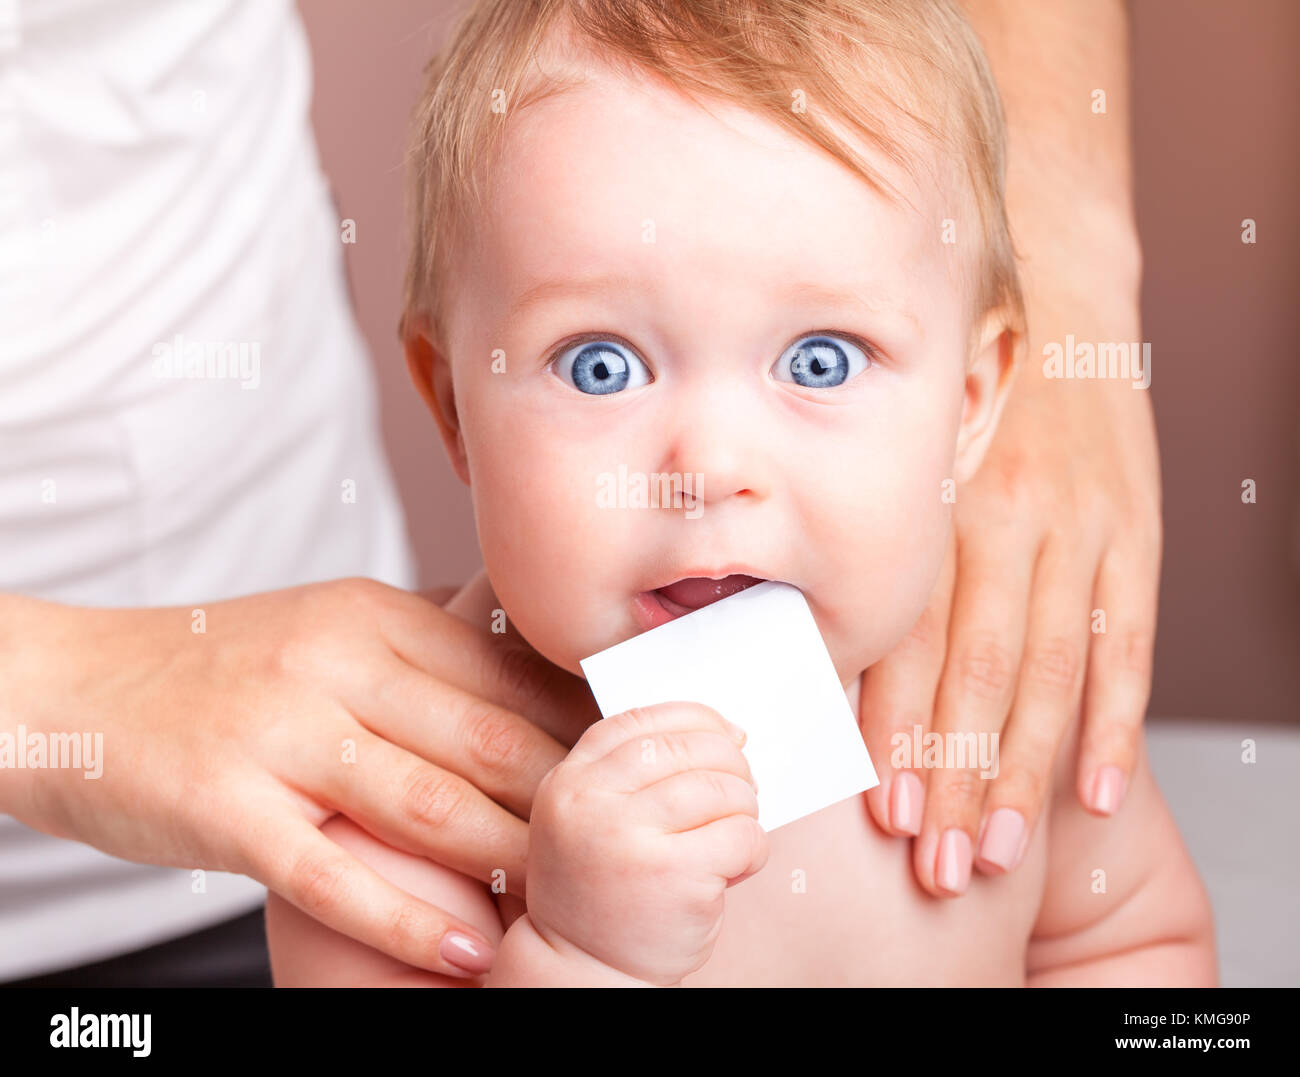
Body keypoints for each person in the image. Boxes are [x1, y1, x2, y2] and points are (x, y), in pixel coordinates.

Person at [0, 0, 1161, 985]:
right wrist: (581, 956)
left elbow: (1130, 940)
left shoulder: (992, 716)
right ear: (453, 408)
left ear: (971, 400)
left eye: (820, 361)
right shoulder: (406, 817)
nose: (711, 467)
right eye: (601, 365)